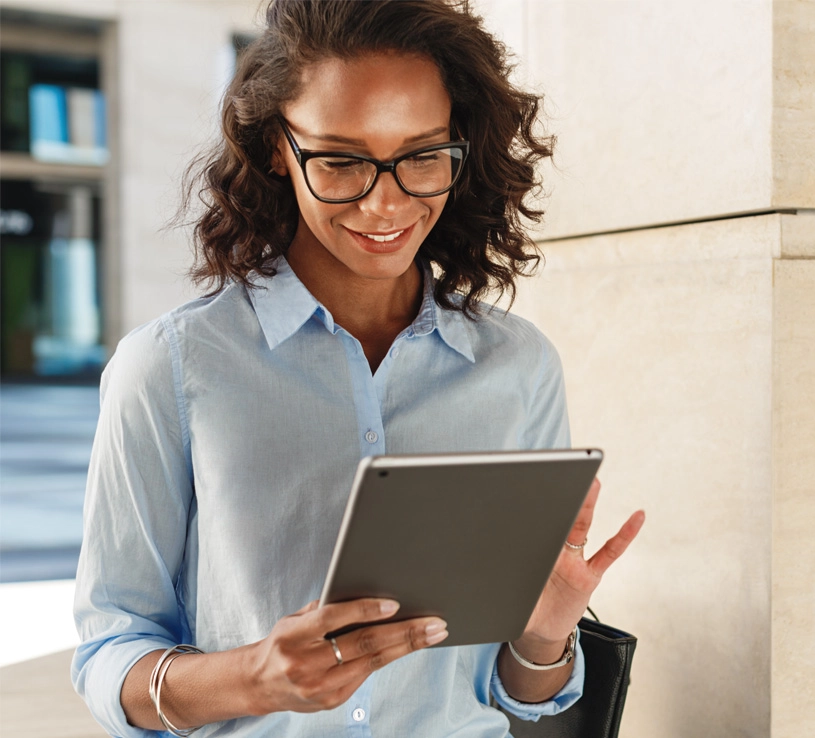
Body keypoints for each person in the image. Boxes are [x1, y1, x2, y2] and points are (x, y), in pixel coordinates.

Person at [72, 1, 645, 736]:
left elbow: (520, 699)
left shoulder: (517, 365)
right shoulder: (172, 367)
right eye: (340, 160)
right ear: (277, 146)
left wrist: (542, 637)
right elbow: (108, 655)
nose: (386, 203)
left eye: (422, 156)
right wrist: (253, 678)